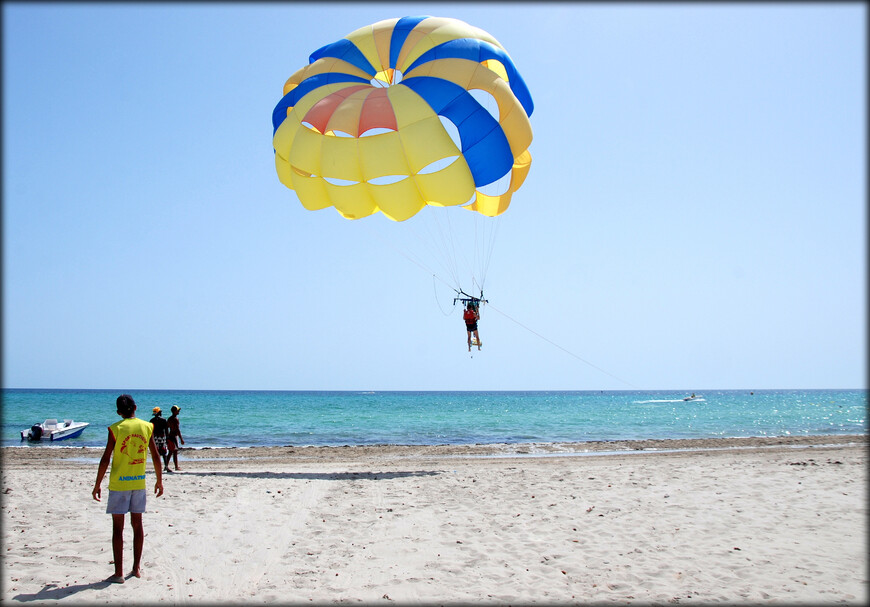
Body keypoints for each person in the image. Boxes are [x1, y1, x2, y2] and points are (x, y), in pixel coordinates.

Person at [92, 394, 163, 584]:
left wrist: (97, 483)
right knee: (137, 525)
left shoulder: (116, 428)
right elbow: (155, 456)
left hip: (119, 485)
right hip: (138, 483)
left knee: (118, 529)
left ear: (118, 412)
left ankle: (119, 573)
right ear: (136, 408)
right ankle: (136, 568)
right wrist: (159, 480)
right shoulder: (147, 426)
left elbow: (106, 458)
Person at [149, 407, 170, 472]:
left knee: (156, 452)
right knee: (164, 453)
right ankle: (166, 466)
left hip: (155, 438)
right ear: (160, 412)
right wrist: (167, 438)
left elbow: (151, 431)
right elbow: (166, 430)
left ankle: (157, 466)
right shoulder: (163, 420)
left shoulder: (152, 420)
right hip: (162, 437)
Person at [166, 405, 185, 471]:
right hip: (174, 436)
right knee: (174, 452)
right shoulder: (175, 419)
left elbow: (167, 427)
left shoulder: (169, 418)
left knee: (171, 452)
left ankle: (167, 465)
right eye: (177, 410)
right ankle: (176, 467)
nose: (179, 411)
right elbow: (177, 430)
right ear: (174, 411)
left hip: (170, 435)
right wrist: (181, 439)